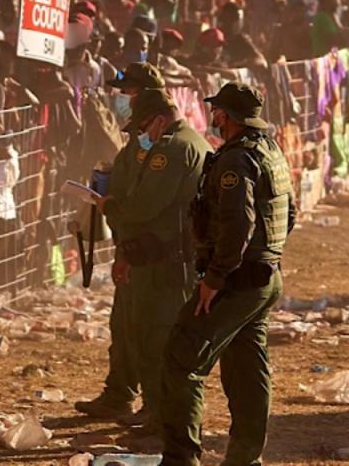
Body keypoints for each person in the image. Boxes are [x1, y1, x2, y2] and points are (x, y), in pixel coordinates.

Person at [159, 82, 295, 466]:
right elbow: (289, 215)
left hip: (235, 281)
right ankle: (244, 458)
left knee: (182, 360)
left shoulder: (236, 160)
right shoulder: (271, 152)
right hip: (264, 276)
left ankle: (180, 458)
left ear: (227, 117)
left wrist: (215, 279)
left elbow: (239, 224)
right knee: (247, 367)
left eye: (218, 112)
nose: (214, 118)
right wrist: (265, 256)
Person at [95, 89, 211, 448]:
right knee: (156, 339)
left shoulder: (172, 150)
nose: (143, 134)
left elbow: (145, 207)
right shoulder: (195, 142)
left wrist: (110, 206)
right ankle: (158, 414)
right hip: (171, 258)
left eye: (144, 125)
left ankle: (164, 419)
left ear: (159, 119)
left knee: (155, 340)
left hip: (166, 265)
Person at [75, 62, 168, 422]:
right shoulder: (136, 138)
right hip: (129, 240)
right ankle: (119, 393)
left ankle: (153, 406)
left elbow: (146, 198)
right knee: (122, 324)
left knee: (144, 330)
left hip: (149, 248)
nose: (122, 100)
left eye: (128, 93)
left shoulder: (159, 140)